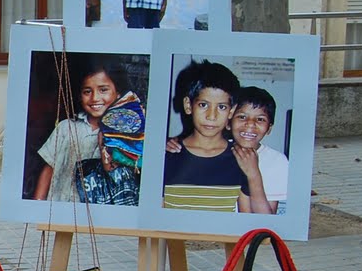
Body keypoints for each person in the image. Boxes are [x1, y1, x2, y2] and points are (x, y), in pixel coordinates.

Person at [161, 60, 272, 213]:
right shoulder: (166, 156)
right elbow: (154, 217)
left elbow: (247, 218)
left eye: (221, 107)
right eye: (203, 105)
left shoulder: (240, 158)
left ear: (231, 111)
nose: (211, 116)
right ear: (188, 105)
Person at [31, 56, 138, 204]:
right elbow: (49, 168)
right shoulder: (66, 128)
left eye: (103, 90)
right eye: (87, 91)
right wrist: (37, 203)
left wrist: (106, 144)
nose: (95, 98)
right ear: (79, 95)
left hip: (101, 212)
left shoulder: (127, 135)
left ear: (118, 93)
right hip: (60, 207)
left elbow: (122, 174)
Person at [229, 87, 288, 214]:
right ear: (229, 122)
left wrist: (253, 174)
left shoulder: (277, 161)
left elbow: (266, 218)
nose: (250, 124)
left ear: (269, 128)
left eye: (260, 119)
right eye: (242, 117)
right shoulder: (216, 152)